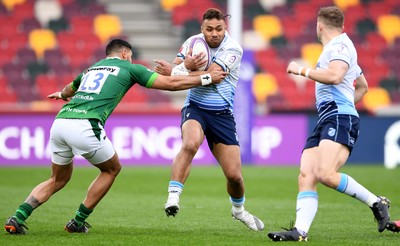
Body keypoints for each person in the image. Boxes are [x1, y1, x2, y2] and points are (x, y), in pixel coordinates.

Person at [4, 38, 227, 235]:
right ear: (124, 54)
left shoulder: (93, 68)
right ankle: (77, 222)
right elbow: (170, 84)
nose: (130, 59)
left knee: (57, 179)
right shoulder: (130, 68)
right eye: (129, 56)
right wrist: (207, 78)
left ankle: (17, 217)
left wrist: (61, 95)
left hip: (61, 122)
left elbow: (69, 89)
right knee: (111, 169)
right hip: (86, 124)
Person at [267, 6, 391, 242]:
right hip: (330, 117)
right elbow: (362, 85)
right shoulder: (339, 48)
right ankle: (300, 232)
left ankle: (376, 203)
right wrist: (347, 105)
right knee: (307, 175)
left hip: (338, 117)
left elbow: (335, 76)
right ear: (341, 26)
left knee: (325, 173)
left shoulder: (339, 47)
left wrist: (302, 70)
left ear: (319, 25)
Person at [153, 8, 264, 231]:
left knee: (234, 176)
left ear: (225, 28)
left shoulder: (233, 48)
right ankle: (173, 196)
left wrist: (178, 71)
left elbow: (211, 77)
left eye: (219, 29)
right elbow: (172, 72)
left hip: (222, 113)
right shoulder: (192, 42)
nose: (214, 34)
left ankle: (239, 211)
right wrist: (182, 67)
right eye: (209, 29)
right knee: (190, 143)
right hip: (195, 107)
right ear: (202, 29)